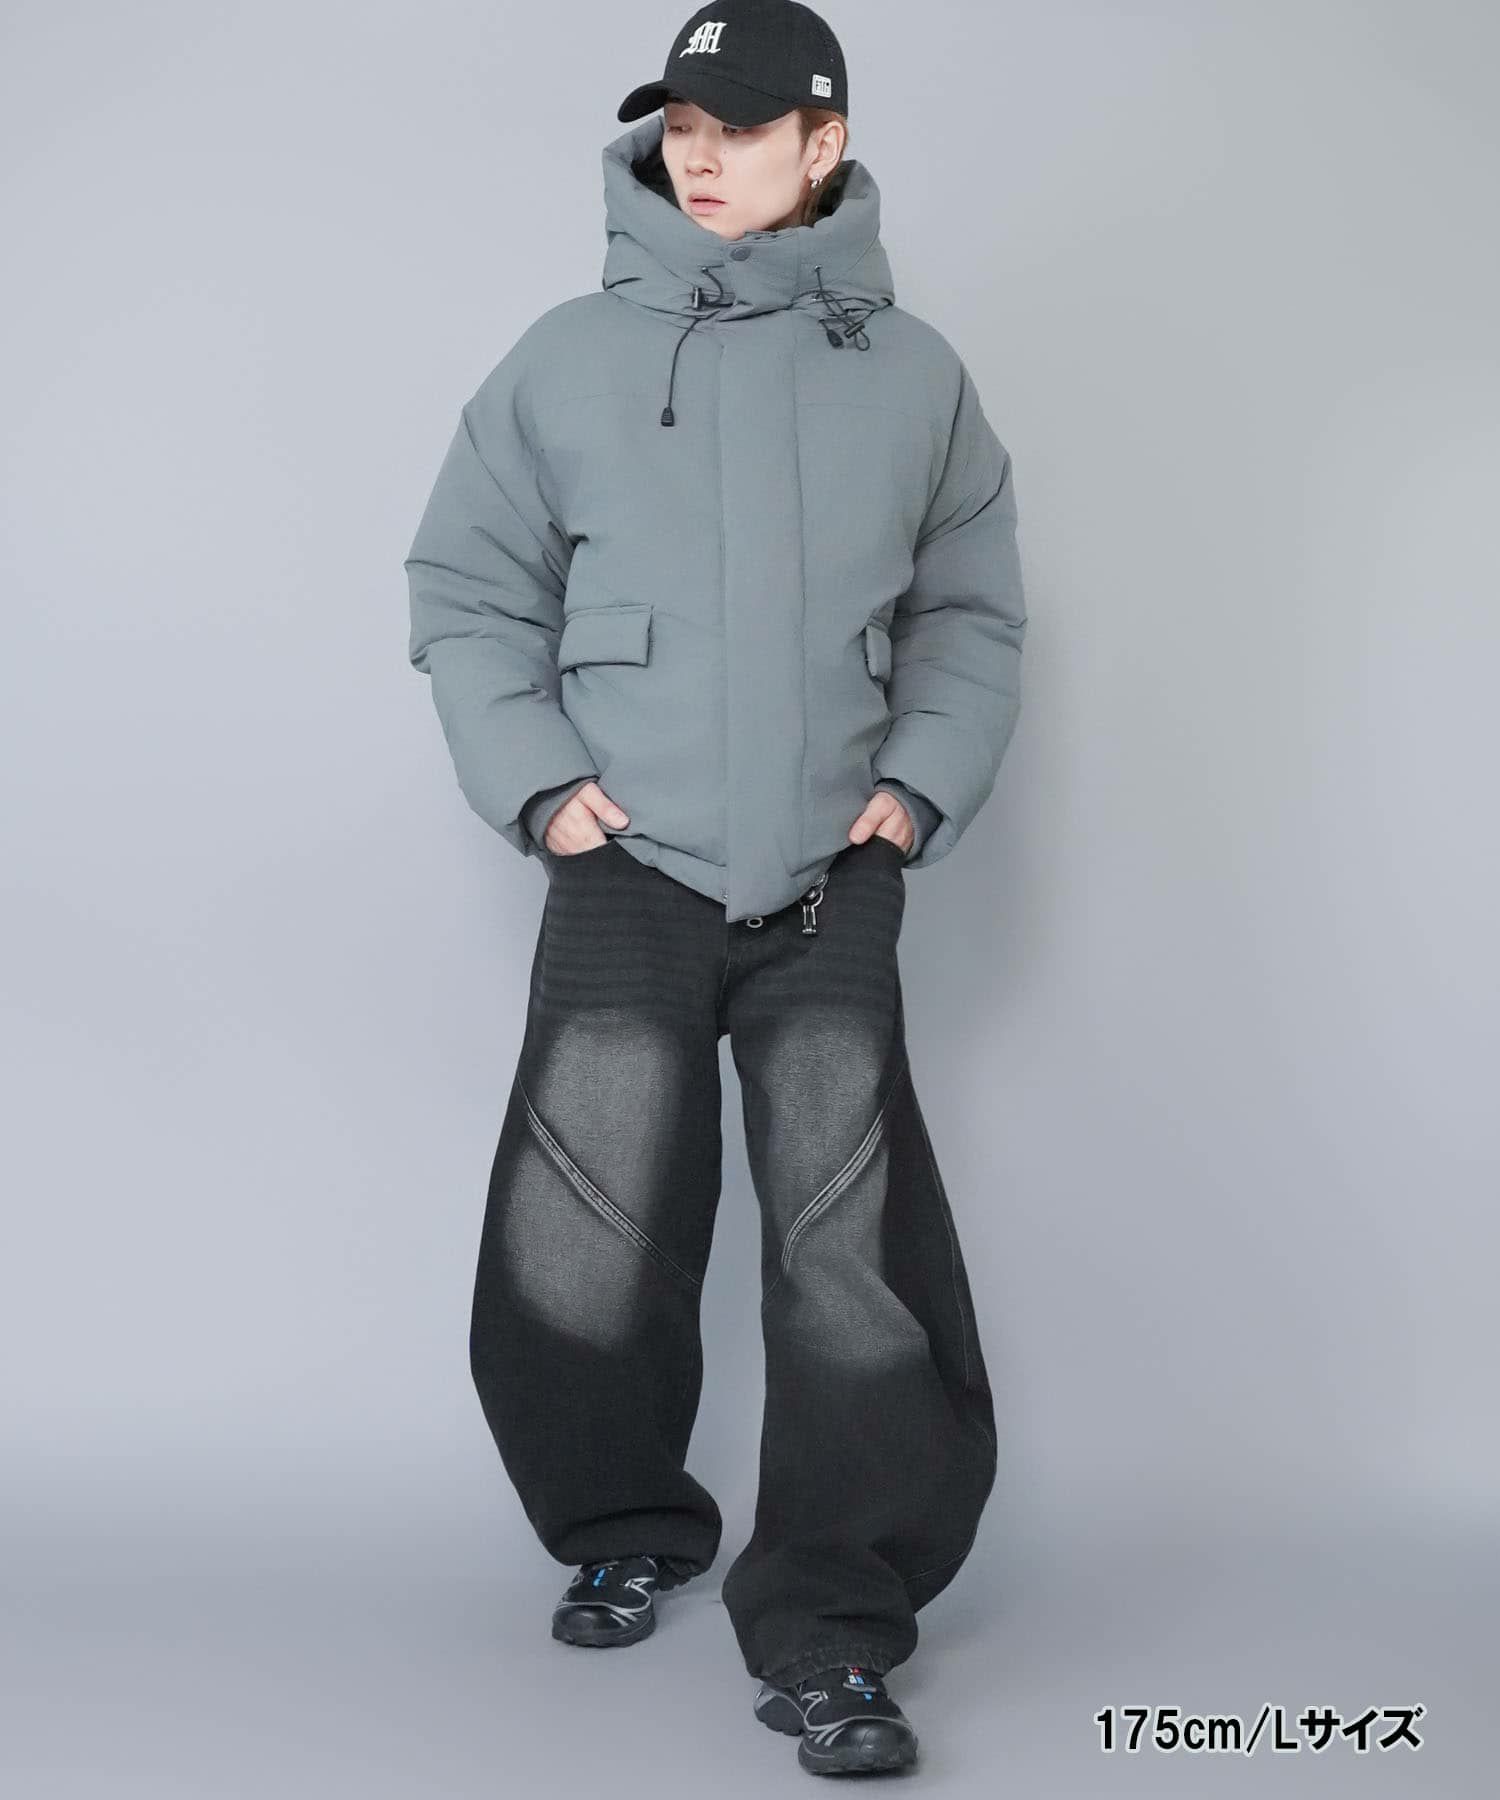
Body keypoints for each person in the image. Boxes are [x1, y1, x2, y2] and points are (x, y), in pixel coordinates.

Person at [403, 0, 1027, 1777]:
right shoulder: (564, 357)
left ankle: (834, 1627)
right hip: (631, 864)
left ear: (825, 145)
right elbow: (465, 588)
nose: (700, 153)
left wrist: (917, 790)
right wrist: (541, 787)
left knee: (852, 1259)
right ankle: (618, 1525)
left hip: (833, 869)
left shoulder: (917, 375)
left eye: (742, 127)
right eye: (682, 122)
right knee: (586, 1222)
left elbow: (972, 610)